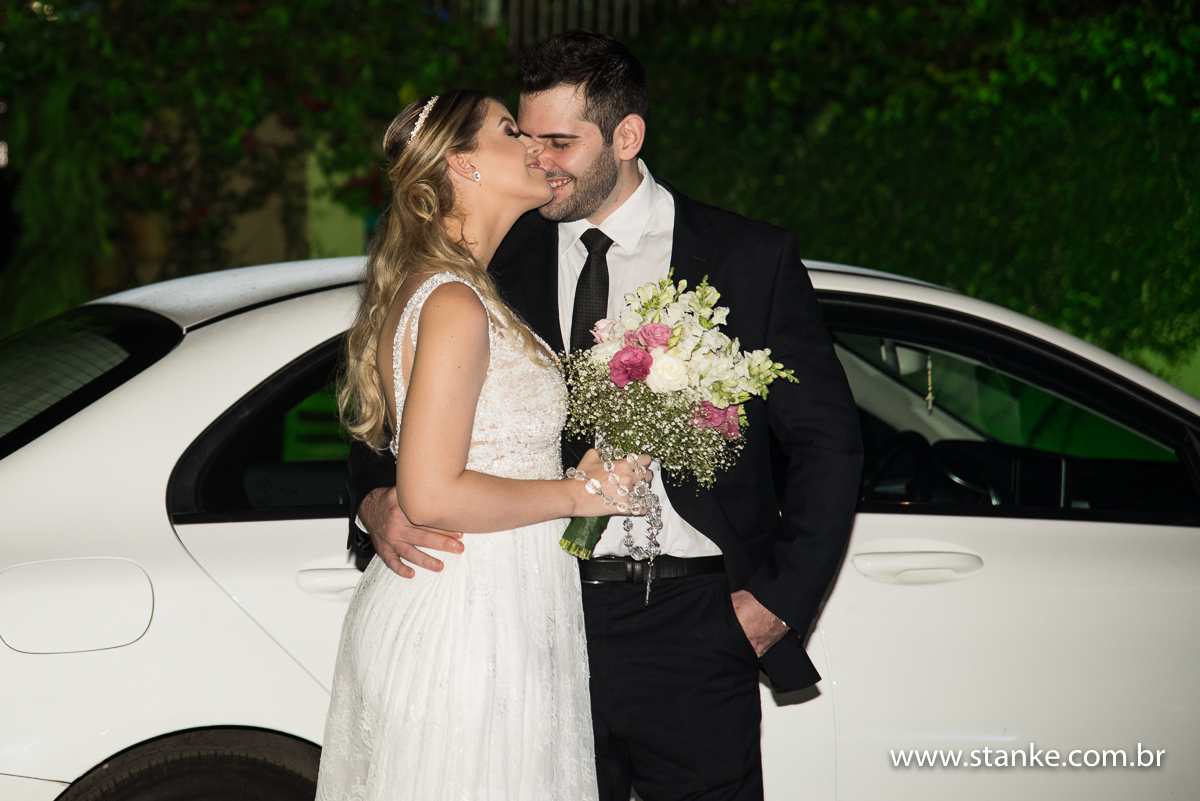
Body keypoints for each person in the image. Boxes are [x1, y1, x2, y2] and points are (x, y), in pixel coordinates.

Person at [348, 33, 864, 801]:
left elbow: (829, 442)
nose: (539, 158)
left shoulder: (745, 257)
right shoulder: (492, 257)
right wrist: (376, 498)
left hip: (690, 620)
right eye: (524, 135)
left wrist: (773, 604)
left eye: (559, 140)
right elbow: (377, 393)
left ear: (626, 137)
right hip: (530, 614)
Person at [315, 89, 653, 801]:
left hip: (498, 607)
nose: (534, 145)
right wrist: (578, 492)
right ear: (462, 165)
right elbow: (430, 492)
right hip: (465, 624)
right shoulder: (452, 301)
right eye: (510, 131)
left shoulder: (460, 291)